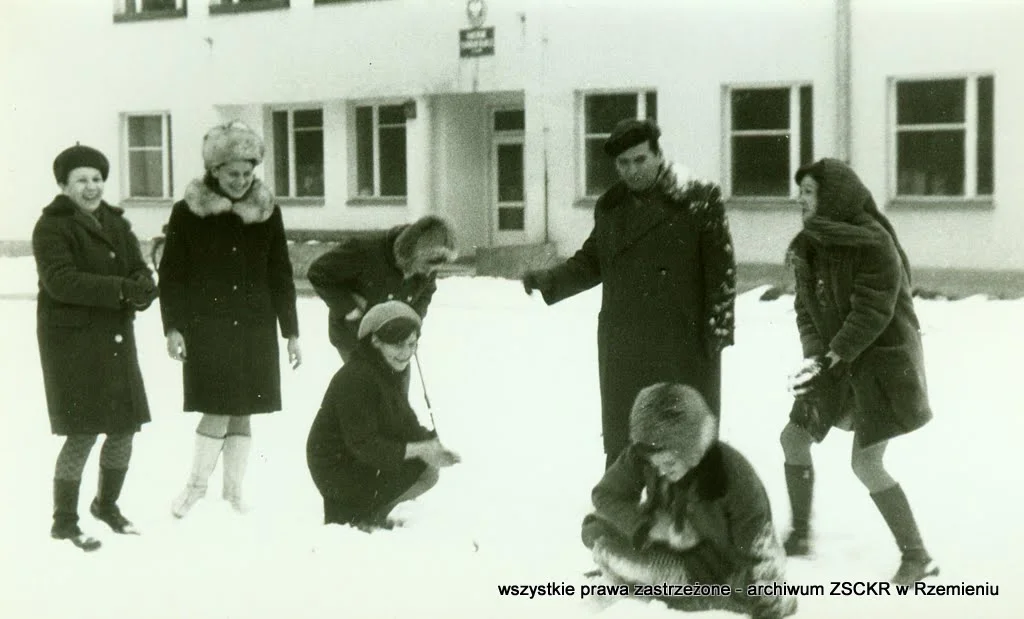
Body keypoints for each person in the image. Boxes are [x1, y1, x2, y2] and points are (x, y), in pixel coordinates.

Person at [522, 119, 736, 469]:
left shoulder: (698, 199)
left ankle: (694, 506)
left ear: (658, 156)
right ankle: (621, 499)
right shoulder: (610, 206)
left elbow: (722, 269)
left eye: (640, 160)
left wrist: (718, 330)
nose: (632, 170)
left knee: (683, 428)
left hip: (681, 338)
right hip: (626, 338)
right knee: (626, 430)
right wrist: (550, 279)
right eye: (623, 163)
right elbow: (594, 260)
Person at [780, 158, 937, 584]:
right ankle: (799, 535)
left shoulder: (873, 243)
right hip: (835, 361)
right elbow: (804, 309)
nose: (801, 200)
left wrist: (837, 352)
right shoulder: (807, 245)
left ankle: (917, 555)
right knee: (794, 438)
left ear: (834, 196)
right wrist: (818, 354)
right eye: (801, 193)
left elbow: (874, 309)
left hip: (882, 367)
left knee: (866, 463)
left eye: (809, 192)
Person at [159, 120, 302, 518]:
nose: (240, 181)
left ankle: (234, 493)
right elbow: (171, 276)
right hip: (209, 328)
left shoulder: (267, 212)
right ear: (214, 171)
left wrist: (290, 332)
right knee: (218, 407)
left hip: (255, 327)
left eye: (247, 173)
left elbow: (280, 273)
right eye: (232, 173)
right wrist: (173, 328)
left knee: (243, 410)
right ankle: (195, 487)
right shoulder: (188, 213)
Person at [33, 144, 159, 551]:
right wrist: (124, 290)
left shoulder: (115, 223)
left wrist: (143, 285)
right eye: (82, 180)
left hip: (115, 339)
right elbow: (61, 281)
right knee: (83, 430)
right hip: (72, 344)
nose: (92, 187)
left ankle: (107, 506)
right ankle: (64, 521)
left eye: (97, 179)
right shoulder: (52, 227)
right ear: (64, 185)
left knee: (124, 426)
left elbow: (136, 266)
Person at [581, 383, 796, 619]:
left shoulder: (734, 475)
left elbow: (760, 551)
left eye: (669, 464)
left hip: (714, 567)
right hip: (663, 548)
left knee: (751, 590)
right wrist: (649, 527)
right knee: (595, 527)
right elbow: (605, 495)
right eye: (654, 465)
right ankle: (655, 579)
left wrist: (769, 596)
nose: (660, 472)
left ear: (691, 449)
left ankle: (665, 585)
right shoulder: (643, 452)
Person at [306, 301, 460, 530]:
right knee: (421, 463)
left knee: (428, 469)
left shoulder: (387, 370)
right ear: (376, 341)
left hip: (358, 457)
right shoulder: (357, 377)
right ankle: (356, 517)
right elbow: (363, 444)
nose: (406, 353)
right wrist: (420, 449)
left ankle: (372, 513)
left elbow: (404, 422)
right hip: (337, 468)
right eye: (398, 345)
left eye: (412, 344)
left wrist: (431, 444)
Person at [306, 215, 456, 362]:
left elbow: (426, 291)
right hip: (356, 337)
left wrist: (415, 321)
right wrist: (350, 308)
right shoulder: (365, 250)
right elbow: (319, 272)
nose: (429, 273)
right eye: (425, 267)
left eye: (434, 269)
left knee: (395, 386)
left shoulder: (429, 262)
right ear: (412, 254)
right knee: (365, 385)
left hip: (398, 340)